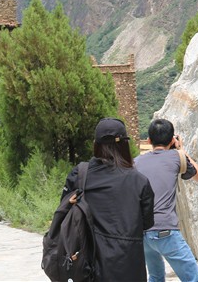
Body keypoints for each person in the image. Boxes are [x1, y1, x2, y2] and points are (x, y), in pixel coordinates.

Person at [61, 117, 155, 281]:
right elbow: (147, 223)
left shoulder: (80, 175)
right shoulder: (139, 181)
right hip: (130, 266)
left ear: (95, 145)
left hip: (90, 266)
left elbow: (65, 212)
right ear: (125, 145)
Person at [134, 119, 198, 282]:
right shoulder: (176, 157)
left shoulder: (136, 162)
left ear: (149, 140)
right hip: (165, 230)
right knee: (194, 279)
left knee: (155, 277)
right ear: (172, 140)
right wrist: (181, 150)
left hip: (143, 233)